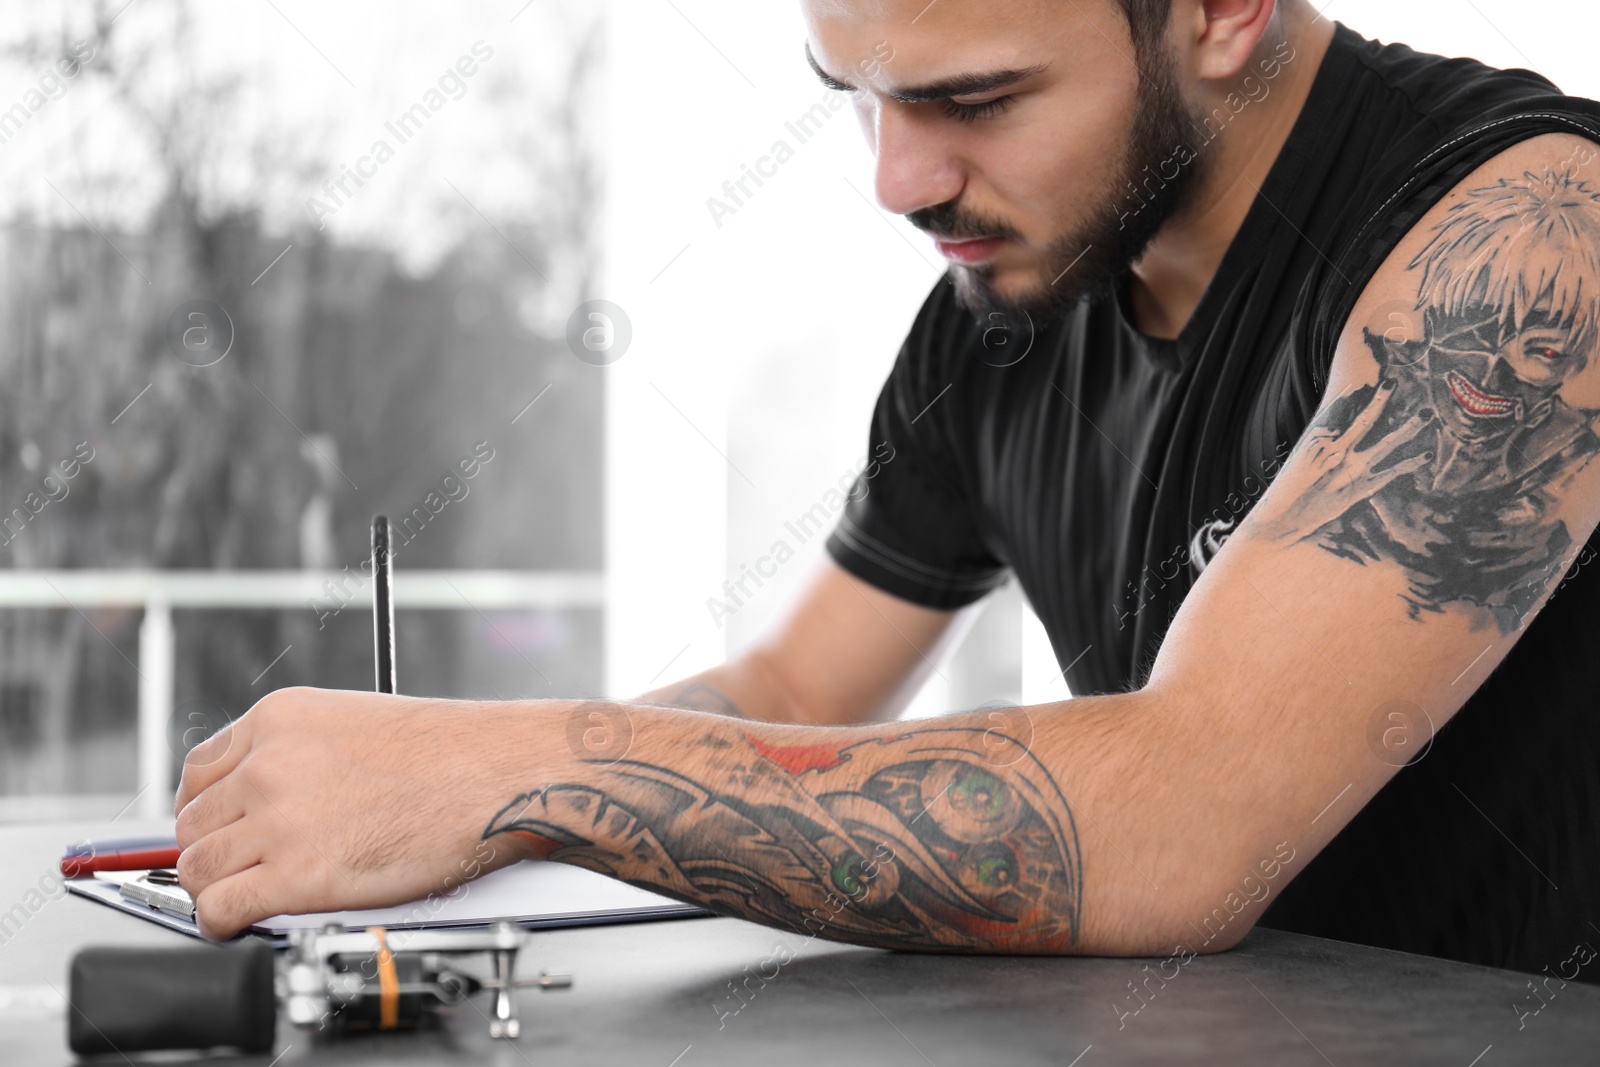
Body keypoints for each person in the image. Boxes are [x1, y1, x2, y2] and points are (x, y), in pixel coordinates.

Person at [173, 0, 1600, 984]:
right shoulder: (1000, 318)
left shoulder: (1535, 249)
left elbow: (1192, 825)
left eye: (972, 98)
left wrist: (517, 777)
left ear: (1223, 10)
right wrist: (410, 791)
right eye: (854, 99)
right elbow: (797, 692)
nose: (897, 178)